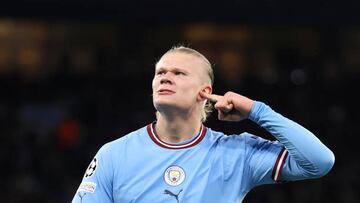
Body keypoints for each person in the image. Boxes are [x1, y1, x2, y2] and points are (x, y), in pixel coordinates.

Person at [72, 46, 335, 203]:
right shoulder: (114, 154)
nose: (165, 78)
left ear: (205, 91)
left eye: (178, 73)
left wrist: (257, 111)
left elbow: (319, 162)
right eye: (160, 73)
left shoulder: (236, 153)